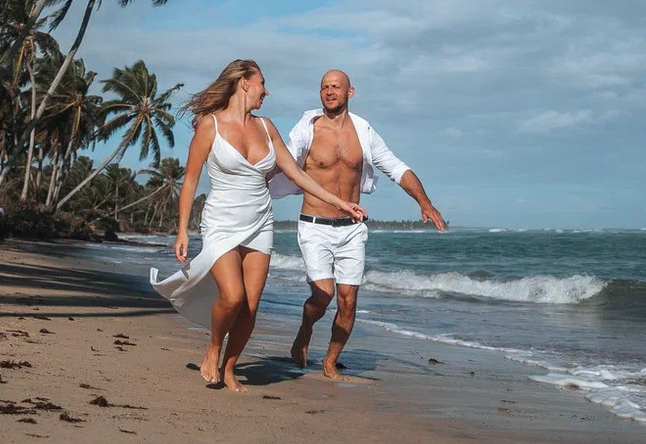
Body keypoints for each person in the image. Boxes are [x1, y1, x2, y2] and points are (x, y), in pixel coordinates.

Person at [150, 60, 366, 393]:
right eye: (262, 83)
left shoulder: (266, 127)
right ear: (244, 83)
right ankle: (213, 347)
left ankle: (230, 368)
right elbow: (191, 178)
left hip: (260, 223)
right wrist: (182, 229)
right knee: (233, 298)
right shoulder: (211, 125)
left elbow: (297, 174)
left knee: (251, 305)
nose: (266, 90)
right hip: (222, 222)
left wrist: (340, 203)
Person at [269, 69, 445, 381]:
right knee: (322, 296)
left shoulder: (362, 131)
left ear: (350, 92)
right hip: (314, 225)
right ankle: (306, 328)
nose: (329, 91)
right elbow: (282, 160)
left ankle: (330, 362)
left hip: (351, 229)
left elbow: (395, 166)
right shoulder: (308, 129)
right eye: (324, 86)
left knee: (348, 301)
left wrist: (424, 201)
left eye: (336, 86)